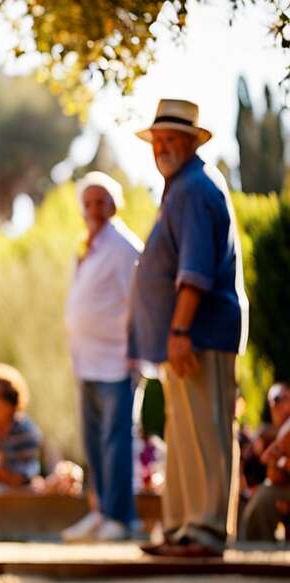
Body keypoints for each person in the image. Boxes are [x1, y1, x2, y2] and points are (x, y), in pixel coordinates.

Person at [128, 100, 248, 559]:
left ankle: (205, 530)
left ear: (191, 142)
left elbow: (194, 270)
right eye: (157, 139)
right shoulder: (181, 187)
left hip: (199, 333)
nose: (161, 147)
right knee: (183, 434)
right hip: (184, 335)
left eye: (172, 138)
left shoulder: (194, 189)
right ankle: (182, 528)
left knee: (204, 430)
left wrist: (179, 332)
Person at [61, 172, 144, 543]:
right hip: (87, 360)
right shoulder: (87, 246)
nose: (94, 209)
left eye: (101, 202)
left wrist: (135, 352)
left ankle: (121, 517)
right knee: (94, 441)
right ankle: (100, 511)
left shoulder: (125, 247)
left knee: (116, 439)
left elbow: (138, 302)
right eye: (89, 203)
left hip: (116, 361)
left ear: (115, 205)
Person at [240, 383, 290, 541]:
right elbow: (262, 465)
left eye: (283, 399)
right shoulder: (264, 435)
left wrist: (281, 463)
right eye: (274, 402)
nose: (279, 406)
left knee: (265, 496)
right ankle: (260, 545)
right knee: (262, 497)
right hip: (278, 487)